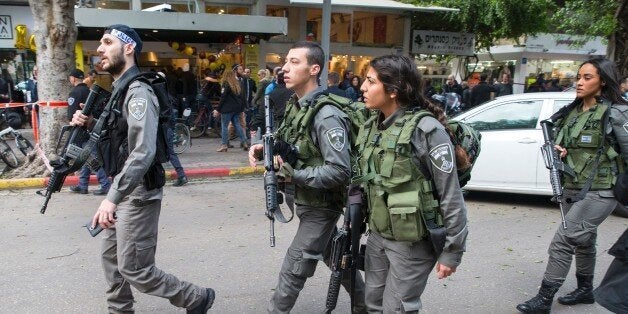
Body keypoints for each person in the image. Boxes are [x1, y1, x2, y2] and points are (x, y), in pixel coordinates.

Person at [71, 24, 214, 313]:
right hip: (121, 187)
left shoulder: (138, 92)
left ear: (128, 48)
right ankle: (120, 310)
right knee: (113, 263)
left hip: (136, 192)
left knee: (136, 268)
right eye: (100, 43)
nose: (99, 49)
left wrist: (112, 198)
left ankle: (195, 298)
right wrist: (88, 124)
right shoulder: (118, 89)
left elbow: (143, 151)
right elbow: (117, 135)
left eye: (107, 42)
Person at [248, 41, 366, 313]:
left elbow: (339, 170)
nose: (285, 68)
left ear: (314, 69)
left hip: (322, 205)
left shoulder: (326, 115)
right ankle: (370, 306)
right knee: (338, 261)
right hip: (306, 200)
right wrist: (266, 148)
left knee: (294, 266)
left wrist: (292, 173)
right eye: (286, 61)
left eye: (294, 62)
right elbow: (291, 143)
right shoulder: (297, 106)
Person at [357, 54, 468, 312]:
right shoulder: (374, 125)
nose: (363, 87)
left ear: (393, 90)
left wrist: (453, 251)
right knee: (372, 304)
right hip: (378, 237)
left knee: (397, 308)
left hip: (411, 244)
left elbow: (450, 195)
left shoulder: (427, 131)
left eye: (370, 81)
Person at [516, 57, 628, 314]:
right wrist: (561, 149)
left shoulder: (617, 112)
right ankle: (584, 289)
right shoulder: (573, 111)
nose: (579, 82)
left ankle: (544, 299)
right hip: (573, 185)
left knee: (564, 240)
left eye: (587, 77)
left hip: (602, 188)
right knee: (584, 240)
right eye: (579, 77)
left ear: (603, 80)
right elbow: (569, 142)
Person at [66, 68, 111, 196]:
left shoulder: (74, 92)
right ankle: (83, 185)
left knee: (90, 158)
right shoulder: (89, 91)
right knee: (85, 157)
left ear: (73, 78)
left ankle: (105, 184)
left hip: (80, 129)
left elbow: (71, 115)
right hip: (92, 127)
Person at [213, 69, 248, 152]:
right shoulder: (236, 84)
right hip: (236, 109)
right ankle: (244, 142)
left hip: (227, 109)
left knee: (224, 126)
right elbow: (241, 96)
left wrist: (218, 109)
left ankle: (224, 145)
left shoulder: (226, 84)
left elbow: (223, 98)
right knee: (237, 125)